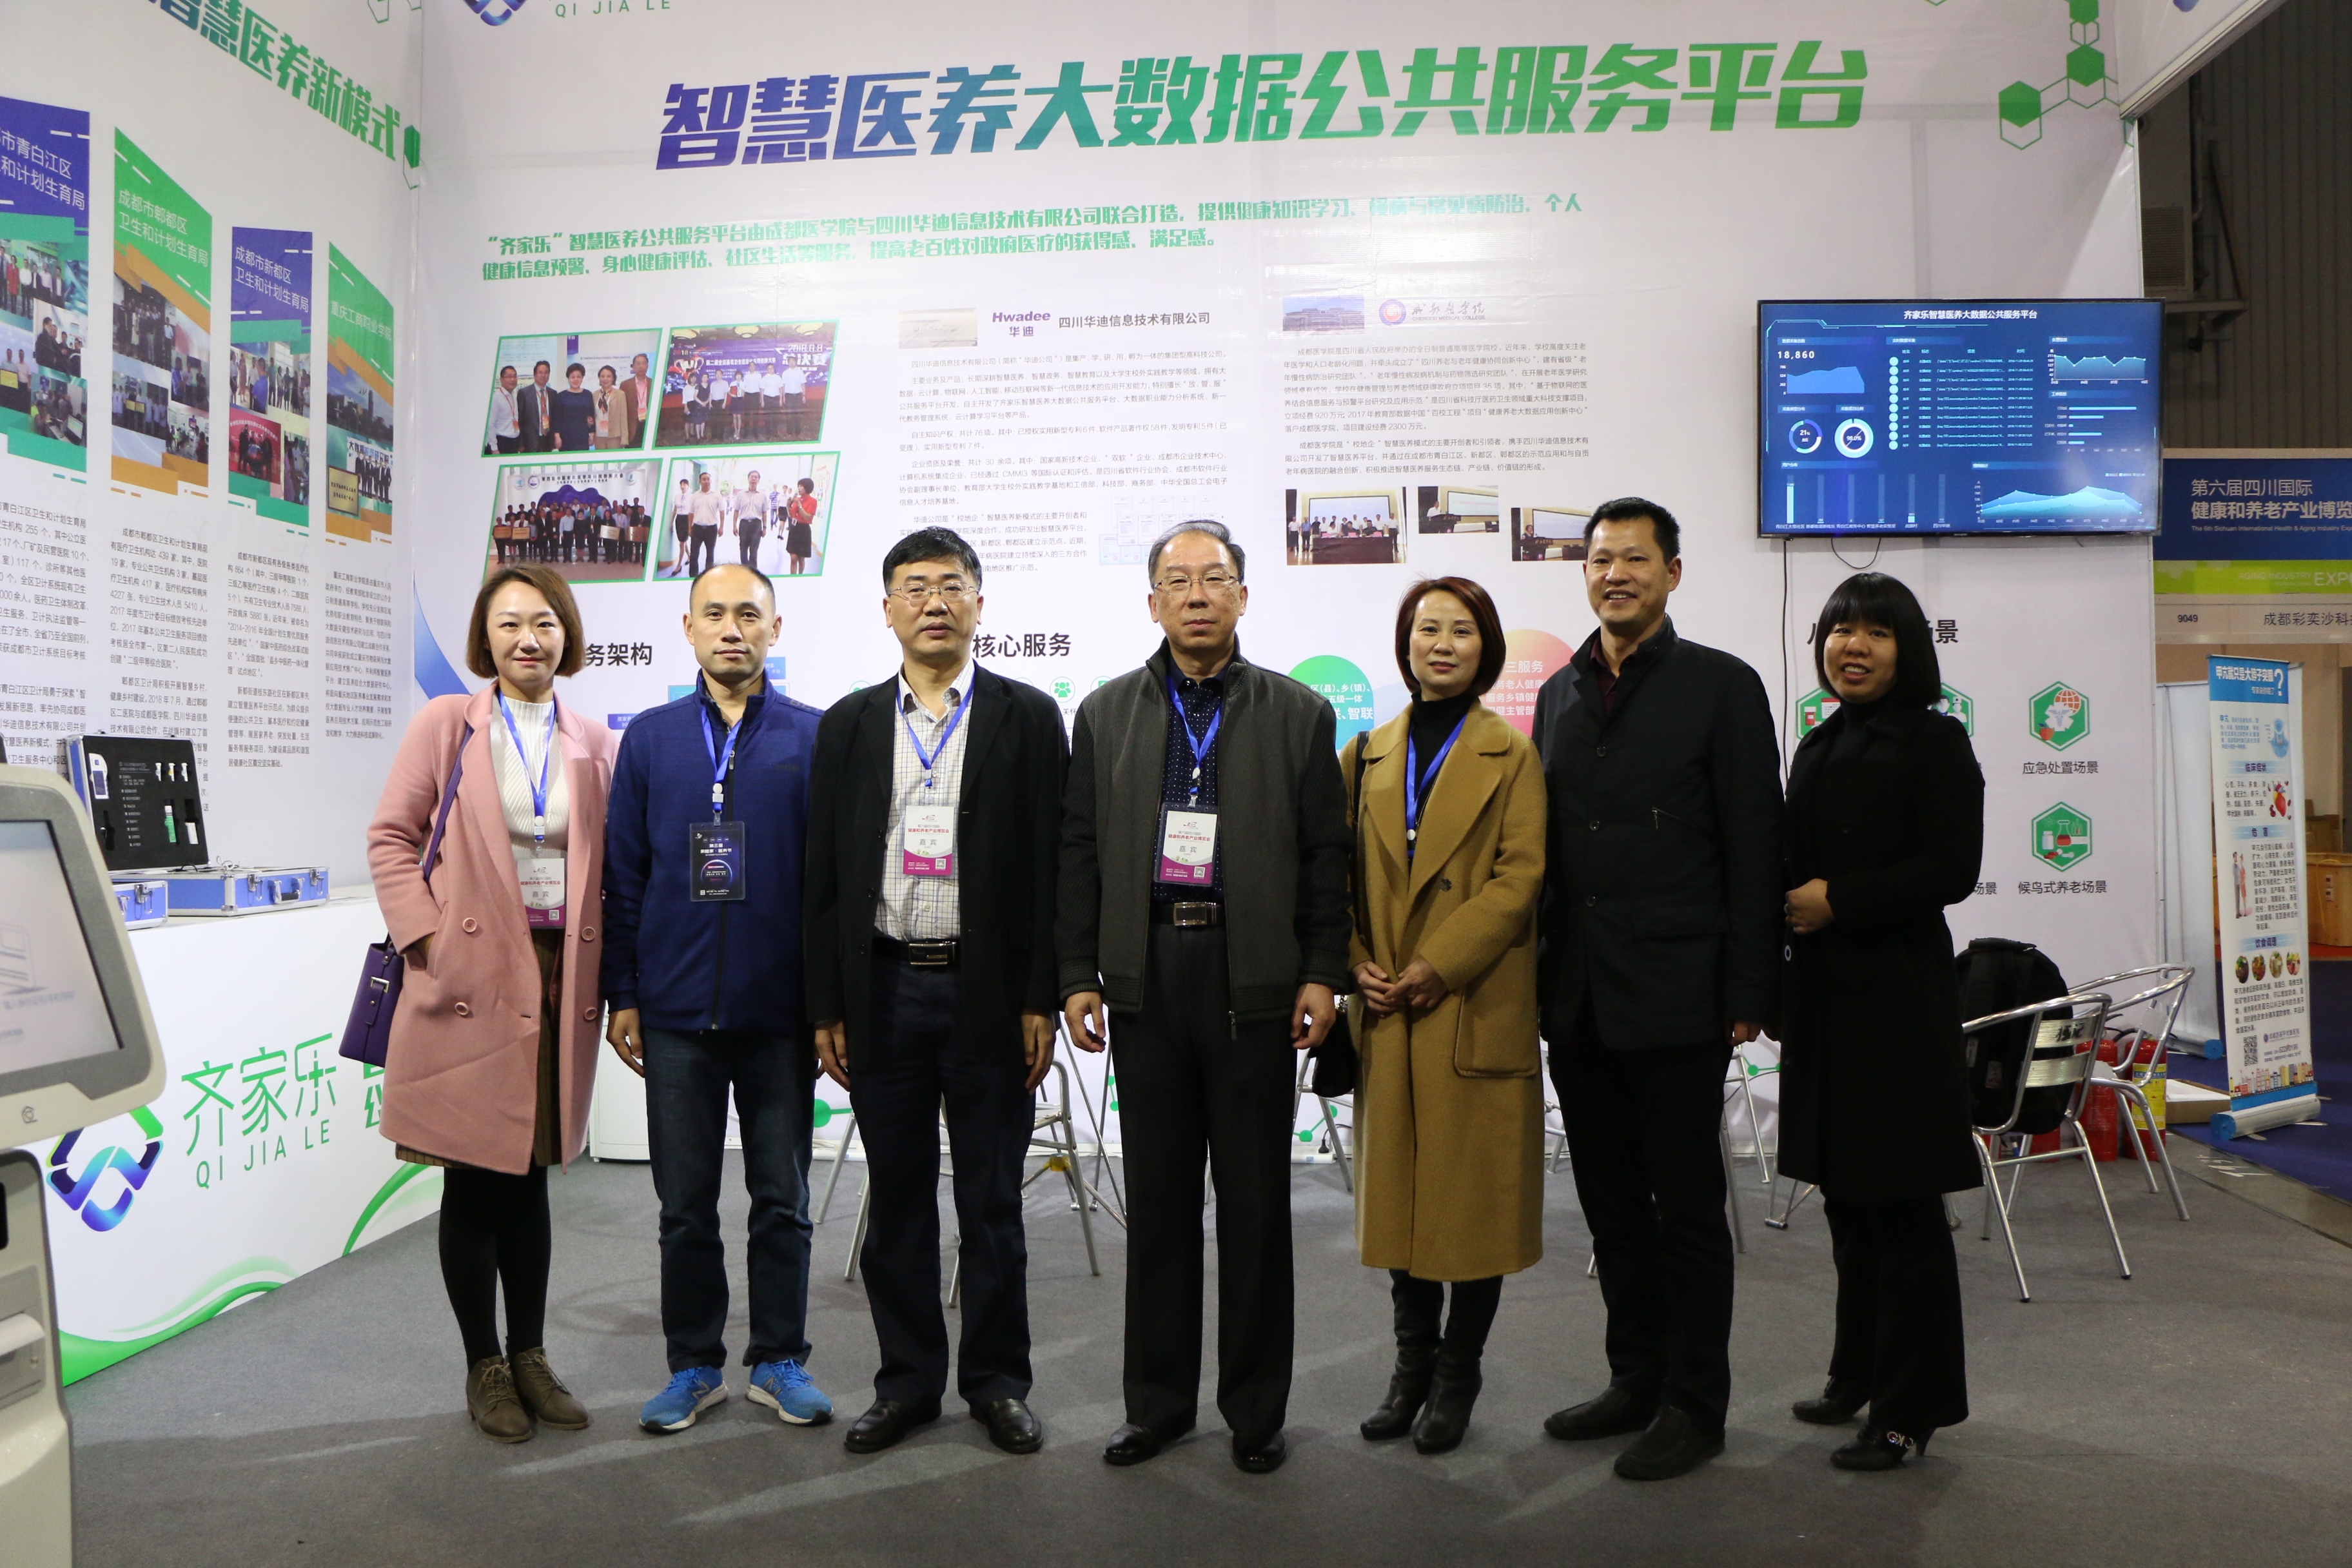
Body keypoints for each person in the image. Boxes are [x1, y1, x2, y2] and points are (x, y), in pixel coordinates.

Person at [1059, 520, 1349, 1476]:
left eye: (1214, 578)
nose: (1196, 595)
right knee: (1160, 1201)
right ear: (1152, 602)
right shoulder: (1105, 713)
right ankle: (1157, 1405)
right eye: (1177, 581)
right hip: (1147, 977)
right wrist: (1077, 973)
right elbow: (1079, 853)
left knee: (1257, 1206)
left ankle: (1256, 1411)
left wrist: (1323, 969)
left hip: (1252, 980)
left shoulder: (1300, 713)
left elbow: (1327, 858)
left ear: (1242, 596)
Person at [1531, 496, 1782, 1482]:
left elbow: (1756, 844)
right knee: (1610, 1210)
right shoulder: (1558, 693)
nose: (1616, 575)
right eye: (1601, 560)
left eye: (1635, 559)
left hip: (1681, 994)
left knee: (1686, 1212)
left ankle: (1695, 1404)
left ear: (1672, 573)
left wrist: (1750, 984)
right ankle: (1634, 1379)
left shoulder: (1723, 686)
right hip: (1580, 998)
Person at [804, 527, 1068, 1458]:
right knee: (899, 1202)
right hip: (882, 989)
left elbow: (1053, 867)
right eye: (914, 587)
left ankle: (998, 1383)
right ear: (888, 609)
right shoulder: (848, 724)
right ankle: (908, 1383)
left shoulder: (1027, 716)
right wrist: (827, 1005)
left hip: (987, 992)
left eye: (951, 585)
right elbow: (823, 875)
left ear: (979, 604)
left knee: (993, 1203)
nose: (934, 602)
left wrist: (1040, 995)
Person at [365, 564, 617, 1444]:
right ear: (485, 637)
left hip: (557, 972)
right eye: (508, 623)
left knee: (532, 1172)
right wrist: (428, 939)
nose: (527, 639)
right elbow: (391, 837)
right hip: (468, 973)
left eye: (543, 622)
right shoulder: (448, 722)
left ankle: (532, 1354)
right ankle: (485, 1365)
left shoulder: (596, 740)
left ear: (566, 633)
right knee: (474, 1176)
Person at [602, 562, 834, 1435]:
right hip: (675, 1015)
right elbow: (625, 878)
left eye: (748, 613)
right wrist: (624, 992)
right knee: (685, 1207)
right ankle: (694, 1364)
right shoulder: (652, 739)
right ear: (688, 628)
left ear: (775, 628)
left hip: (780, 1014)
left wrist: (828, 1007)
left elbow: (831, 886)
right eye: (715, 614)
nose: (732, 628)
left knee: (782, 1199)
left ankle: (779, 1359)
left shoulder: (816, 736)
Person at [1778, 571, 1983, 1471]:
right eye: (1838, 629)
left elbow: (1953, 867)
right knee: (1848, 1205)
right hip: (1826, 1004)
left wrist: (1841, 900)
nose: (1851, 646)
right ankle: (1854, 1374)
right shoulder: (1819, 743)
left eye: (1875, 631)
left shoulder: (1936, 741)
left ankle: (1910, 1410)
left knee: (1901, 1212)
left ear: (1910, 648)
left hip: (1897, 1002)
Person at [1347, 577, 1546, 1456]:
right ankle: (1411, 1368)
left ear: (1485, 648)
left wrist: (1441, 962)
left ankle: (1458, 1373)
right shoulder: (1365, 754)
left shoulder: (1514, 754)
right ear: (1406, 643)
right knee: (1400, 1203)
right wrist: (1354, 959)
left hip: (1471, 1000)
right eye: (1427, 628)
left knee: (1475, 1205)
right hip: (1386, 1005)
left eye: (1461, 630)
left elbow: (1519, 877)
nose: (1442, 644)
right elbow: (1333, 873)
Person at [551, 363, 595, 453]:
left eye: (579, 377)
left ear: (582, 378)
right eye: (572, 377)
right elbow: (556, 418)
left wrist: (592, 433)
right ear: (568, 378)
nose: (575, 379)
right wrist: (557, 436)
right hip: (565, 437)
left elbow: (591, 415)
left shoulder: (588, 395)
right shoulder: (561, 396)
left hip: (582, 436)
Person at [686, 471, 723, 580]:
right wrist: (690, 528)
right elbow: (691, 513)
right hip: (697, 528)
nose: (706, 481)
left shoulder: (717, 495)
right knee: (694, 555)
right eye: (704, 479)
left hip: (712, 529)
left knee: (710, 555)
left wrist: (722, 527)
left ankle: (709, 578)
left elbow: (722, 511)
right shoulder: (695, 496)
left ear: (711, 481)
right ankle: (693, 578)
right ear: (700, 482)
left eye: (708, 479)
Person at [518, 361, 556, 453]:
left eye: (546, 372)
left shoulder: (553, 394)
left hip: (548, 440)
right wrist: (521, 443)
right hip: (530, 441)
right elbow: (520, 419)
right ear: (535, 375)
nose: (543, 375)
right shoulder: (524, 393)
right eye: (540, 372)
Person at [592, 365, 631, 451]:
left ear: (613, 378)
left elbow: (623, 417)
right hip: (599, 436)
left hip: (615, 436)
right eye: (603, 376)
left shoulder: (620, 394)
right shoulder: (595, 395)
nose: (605, 379)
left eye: (609, 376)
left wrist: (624, 438)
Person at [785, 476, 818, 575]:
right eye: (798, 486)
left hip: (804, 530)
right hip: (794, 528)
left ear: (807, 488)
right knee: (793, 558)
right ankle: (792, 577)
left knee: (801, 558)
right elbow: (792, 515)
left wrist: (799, 504)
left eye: (801, 486)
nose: (799, 488)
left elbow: (807, 517)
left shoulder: (812, 501)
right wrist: (788, 506)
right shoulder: (797, 499)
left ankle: (800, 575)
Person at [734, 471, 767, 567]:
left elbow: (764, 512)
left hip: (757, 525)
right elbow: (736, 510)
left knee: (754, 550)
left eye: (756, 477)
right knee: (743, 549)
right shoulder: (741, 494)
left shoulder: (762, 495)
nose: (754, 479)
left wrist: (765, 527)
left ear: (759, 480)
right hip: (744, 524)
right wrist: (734, 526)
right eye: (752, 477)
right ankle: (744, 570)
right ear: (748, 479)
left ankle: (753, 571)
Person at [623, 352, 655, 446]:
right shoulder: (625, 385)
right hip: (632, 428)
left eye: (644, 363)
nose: (641, 366)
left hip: (650, 425)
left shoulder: (654, 384)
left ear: (648, 366)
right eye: (638, 364)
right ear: (633, 367)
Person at [782, 359, 808, 438]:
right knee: (789, 415)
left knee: (798, 415)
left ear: (796, 362)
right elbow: (783, 386)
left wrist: (804, 395)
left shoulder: (800, 372)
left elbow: (803, 384)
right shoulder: (785, 373)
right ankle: (789, 432)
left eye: (793, 361)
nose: (792, 363)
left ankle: (798, 432)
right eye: (790, 362)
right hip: (789, 396)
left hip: (798, 396)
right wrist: (783, 397)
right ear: (788, 363)